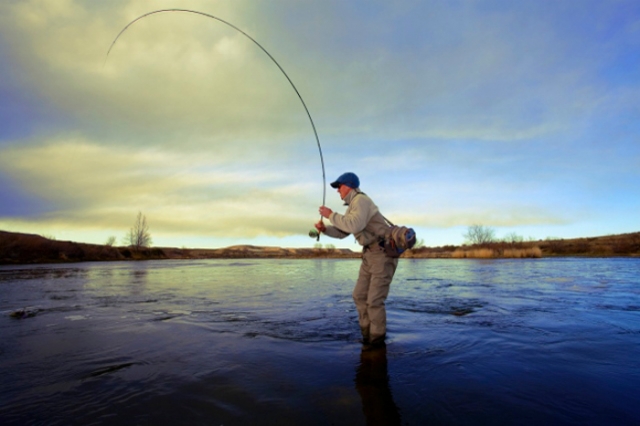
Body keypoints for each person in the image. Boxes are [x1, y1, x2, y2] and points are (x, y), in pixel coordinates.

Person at [315, 172, 398, 348]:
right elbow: (343, 231)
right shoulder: (352, 207)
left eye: (340, 186)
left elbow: (354, 225)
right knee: (359, 296)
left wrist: (330, 215)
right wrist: (325, 230)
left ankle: (376, 344)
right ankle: (366, 337)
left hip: (382, 255)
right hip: (369, 255)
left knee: (374, 301)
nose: (338, 190)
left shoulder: (361, 201)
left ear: (350, 186)